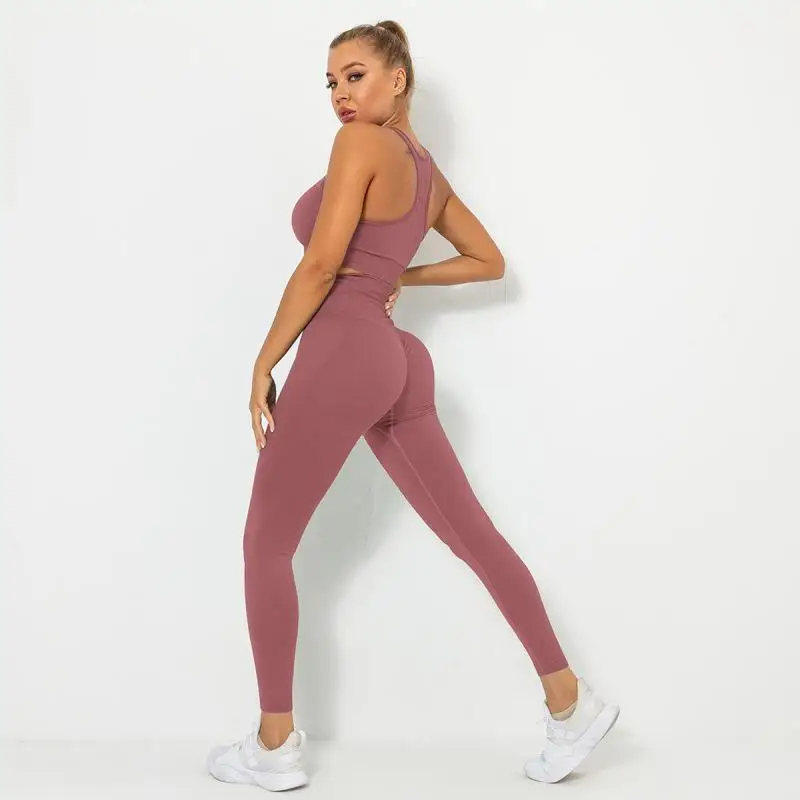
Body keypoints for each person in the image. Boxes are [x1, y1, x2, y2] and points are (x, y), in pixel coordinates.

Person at [206, 19, 619, 792]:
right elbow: (487, 260)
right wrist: (399, 278)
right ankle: (571, 703)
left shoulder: (360, 144)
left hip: (342, 350)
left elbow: (322, 264)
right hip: (396, 359)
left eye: (355, 75)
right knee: (473, 536)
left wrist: (265, 360)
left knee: (266, 545)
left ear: (397, 78)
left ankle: (274, 745)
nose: (340, 94)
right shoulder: (427, 174)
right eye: (331, 82)